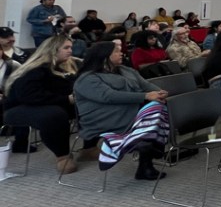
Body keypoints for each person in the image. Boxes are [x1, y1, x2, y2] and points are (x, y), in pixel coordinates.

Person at [74, 42, 170, 180]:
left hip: (129, 111)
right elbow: (108, 96)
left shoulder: (125, 70)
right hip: (105, 118)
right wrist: (145, 96)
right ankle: (150, 151)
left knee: (159, 108)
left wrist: (159, 92)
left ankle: (148, 158)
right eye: (116, 51)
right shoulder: (87, 78)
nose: (122, 53)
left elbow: (145, 85)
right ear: (105, 56)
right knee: (154, 115)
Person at [2, 35, 78, 173]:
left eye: (71, 47)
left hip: (43, 104)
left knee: (90, 108)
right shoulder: (36, 69)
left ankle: (90, 148)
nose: (70, 51)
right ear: (53, 49)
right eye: (66, 48)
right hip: (16, 109)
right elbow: (29, 96)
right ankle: (63, 156)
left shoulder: (60, 68)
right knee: (54, 115)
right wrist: (66, 99)